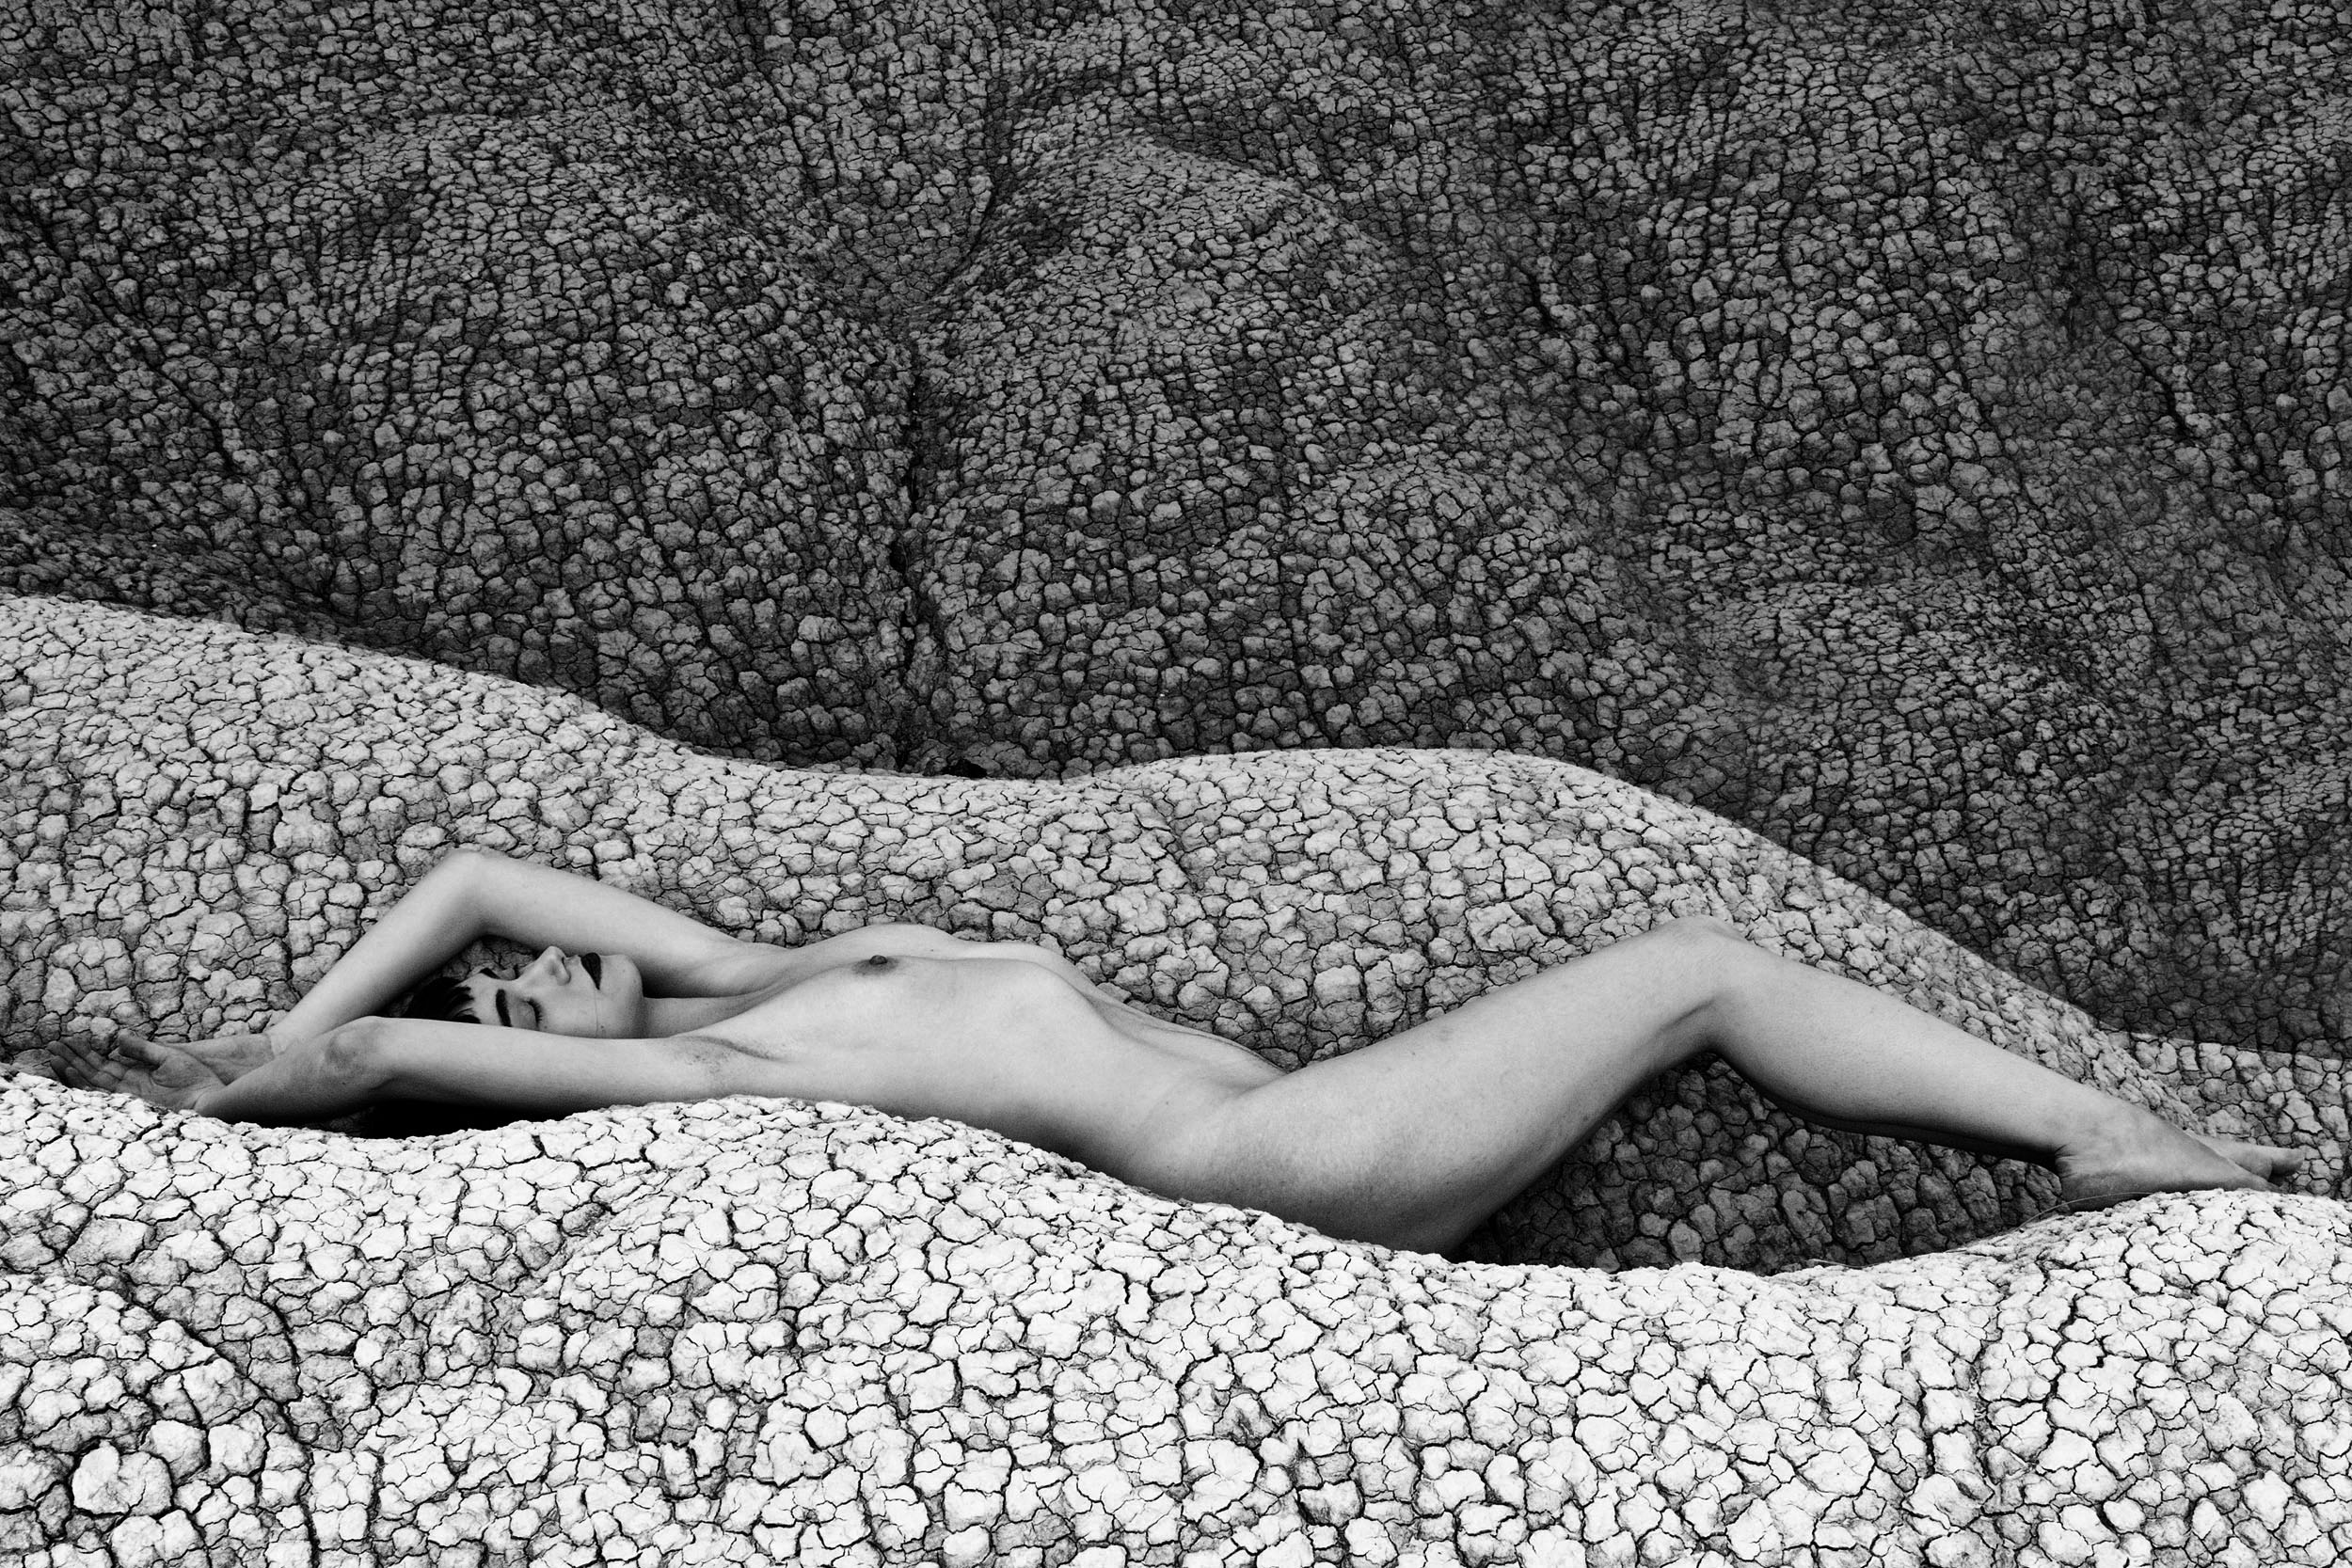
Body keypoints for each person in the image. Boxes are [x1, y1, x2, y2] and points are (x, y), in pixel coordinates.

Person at [51, 848, 2297, 1255]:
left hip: (1300, 1135)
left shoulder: (759, 965)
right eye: (510, 1021)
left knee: (1695, 966)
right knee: (1694, 967)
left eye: (534, 984)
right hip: (1263, 1168)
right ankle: (2113, 1141)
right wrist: (368, 1069)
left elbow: (472, 876)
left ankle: (2113, 1136)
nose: (535, 985)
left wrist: (291, 1025)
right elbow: (545, 1042)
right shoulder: (747, 1069)